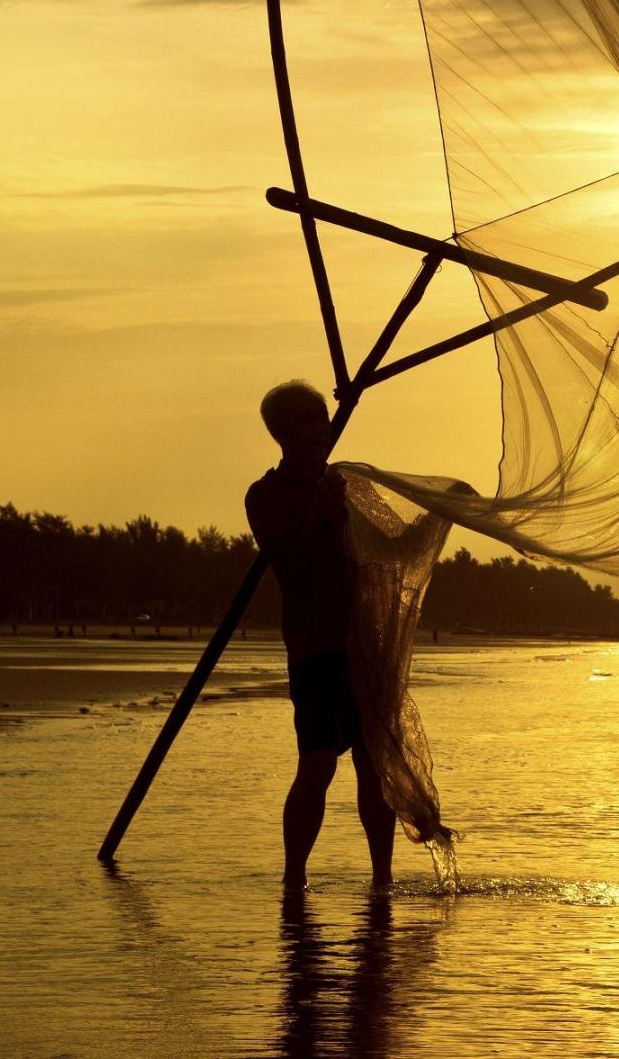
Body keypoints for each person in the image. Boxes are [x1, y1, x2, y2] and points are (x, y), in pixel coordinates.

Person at [246, 381, 396, 890]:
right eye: (304, 422)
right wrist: (321, 506)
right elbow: (288, 557)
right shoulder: (266, 494)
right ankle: (294, 879)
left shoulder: (343, 483)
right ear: (280, 433)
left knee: (373, 767)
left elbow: (384, 548)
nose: (317, 430)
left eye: (321, 419)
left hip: (362, 647)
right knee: (316, 763)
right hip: (315, 647)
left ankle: (382, 880)